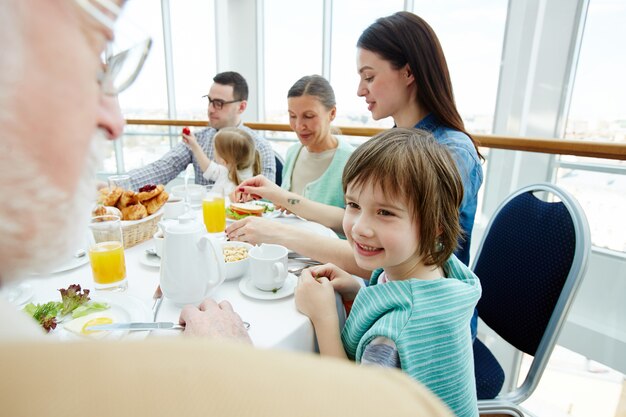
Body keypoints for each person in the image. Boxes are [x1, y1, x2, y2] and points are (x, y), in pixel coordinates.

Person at [0, 2, 453, 416]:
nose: (116, 121)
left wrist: (232, 359)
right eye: (88, 69)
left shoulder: (428, 160)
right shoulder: (288, 152)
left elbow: (407, 267)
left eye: (369, 77)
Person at [228, 11, 483, 334]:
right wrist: (281, 196)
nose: (361, 90)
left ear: (408, 72)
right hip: (385, 299)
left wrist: (276, 233)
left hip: (423, 327)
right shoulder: (398, 141)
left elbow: (395, 251)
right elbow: (359, 219)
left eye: (369, 76)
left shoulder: (450, 152)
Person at [294, 128, 481, 417]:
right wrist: (362, 294)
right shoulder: (442, 271)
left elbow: (352, 405)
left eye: (385, 213)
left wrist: (323, 318)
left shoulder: (394, 336)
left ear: (437, 224)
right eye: (353, 205)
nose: (359, 228)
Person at [126, 71, 276, 190]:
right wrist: (119, 186)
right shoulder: (197, 140)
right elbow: (162, 168)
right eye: (210, 101)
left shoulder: (260, 147)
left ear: (241, 107)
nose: (210, 109)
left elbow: (267, 198)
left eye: (219, 103)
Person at [281, 75, 354, 209]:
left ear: (332, 113)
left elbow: (354, 219)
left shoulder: (352, 160)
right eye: (292, 116)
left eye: (308, 116)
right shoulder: (292, 153)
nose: (298, 126)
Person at [183, 126, 261, 197]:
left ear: (224, 161)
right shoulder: (227, 170)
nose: (213, 151)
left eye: (214, 149)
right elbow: (208, 168)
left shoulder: (238, 189)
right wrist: (194, 144)